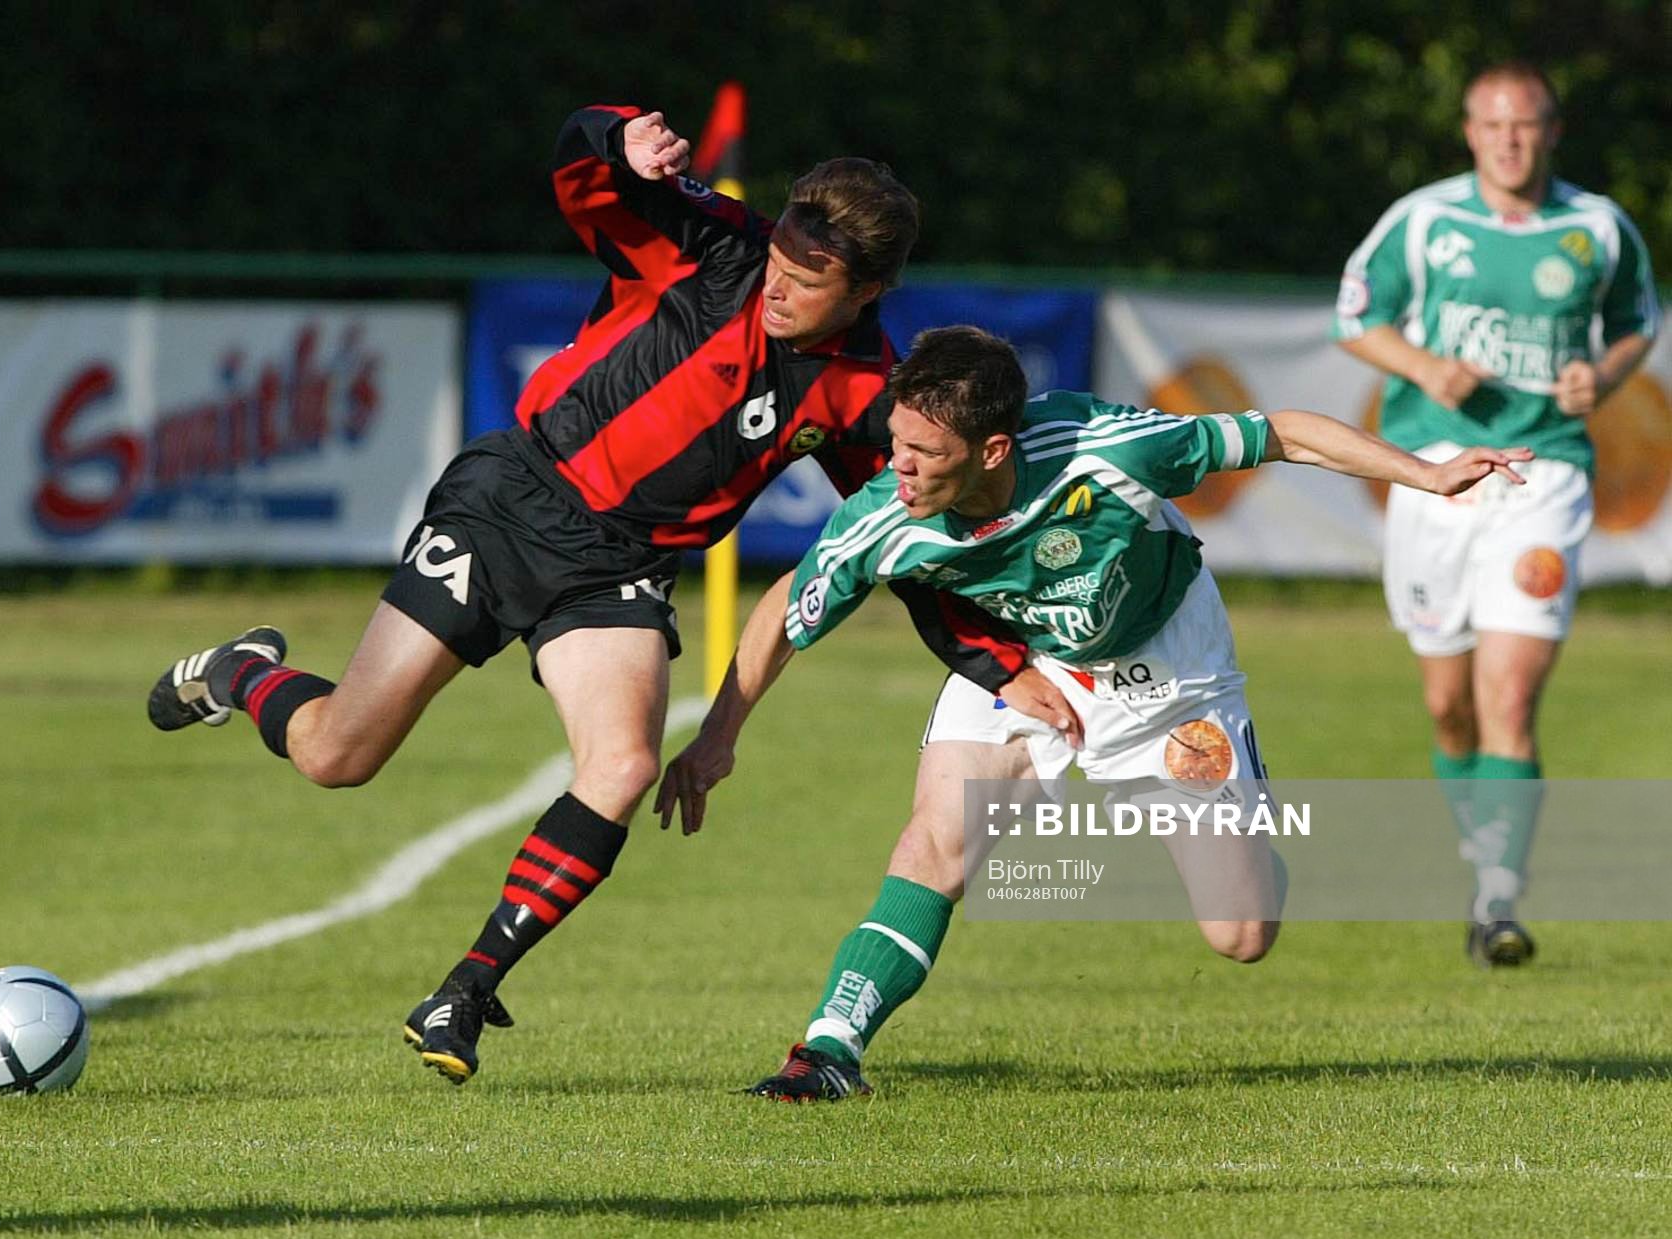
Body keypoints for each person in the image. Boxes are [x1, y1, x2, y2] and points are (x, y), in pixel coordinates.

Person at [145, 107, 1072, 1085]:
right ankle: (244, 671)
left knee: (624, 763)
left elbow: (899, 540)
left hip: (618, 565)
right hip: (512, 501)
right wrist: (616, 137)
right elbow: (582, 174)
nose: (778, 291)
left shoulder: (861, 392)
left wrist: (996, 660)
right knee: (338, 754)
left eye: (808, 285)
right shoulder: (716, 244)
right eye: (781, 266)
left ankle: (464, 988)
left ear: (870, 290)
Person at [656, 325, 1531, 1101]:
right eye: (896, 441)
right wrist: (718, 738)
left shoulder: (1105, 448)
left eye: (925, 450)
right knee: (934, 838)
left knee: (1242, 932)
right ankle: (830, 1050)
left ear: (995, 448)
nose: (900, 466)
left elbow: (1284, 434)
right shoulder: (887, 515)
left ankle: (1250, 838)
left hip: (1171, 669)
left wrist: (1426, 475)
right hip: (1030, 663)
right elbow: (786, 606)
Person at [1333, 61, 1660, 965]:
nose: (1511, 139)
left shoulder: (1598, 226)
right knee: (1449, 706)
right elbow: (1356, 314)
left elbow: (1640, 318)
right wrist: (1423, 366)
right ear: (1471, 133)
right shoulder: (1427, 219)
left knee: (1508, 694)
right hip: (1436, 474)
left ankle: (1497, 901)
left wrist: (1610, 372)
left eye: (1529, 125)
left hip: (1543, 475)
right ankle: (1481, 852)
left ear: (1554, 131)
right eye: (1494, 125)